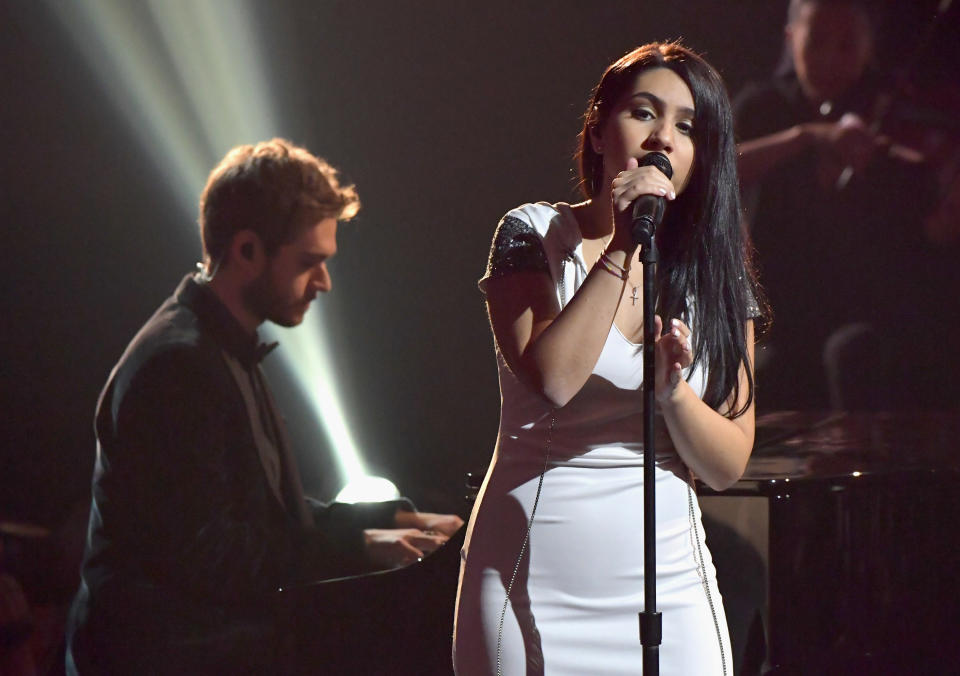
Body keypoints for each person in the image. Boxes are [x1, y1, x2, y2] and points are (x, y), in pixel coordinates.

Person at [64, 139, 462, 674]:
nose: (323, 282)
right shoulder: (177, 365)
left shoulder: (222, 348)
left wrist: (400, 518)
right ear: (247, 250)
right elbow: (213, 555)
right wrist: (363, 546)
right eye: (309, 262)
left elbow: (271, 516)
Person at [453, 43, 763, 675]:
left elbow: (728, 463)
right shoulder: (533, 235)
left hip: (667, 586)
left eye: (686, 126)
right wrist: (625, 243)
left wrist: (675, 395)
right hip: (531, 577)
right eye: (643, 113)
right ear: (598, 131)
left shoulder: (716, 278)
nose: (663, 139)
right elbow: (555, 380)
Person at [733, 0, 943, 410]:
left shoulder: (887, 110)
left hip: (871, 310)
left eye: (848, 45)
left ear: (870, 48)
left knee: (857, 354)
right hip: (782, 315)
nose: (830, 58)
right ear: (792, 40)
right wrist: (808, 137)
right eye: (818, 42)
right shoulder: (762, 107)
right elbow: (715, 169)